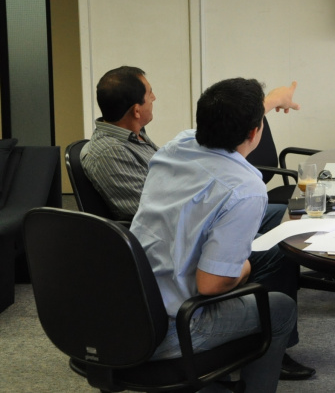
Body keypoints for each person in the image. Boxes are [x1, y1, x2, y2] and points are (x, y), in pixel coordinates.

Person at [129, 78, 313, 391]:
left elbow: (229, 119)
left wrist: (272, 100)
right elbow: (211, 285)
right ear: (254, 132)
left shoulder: (177, 145)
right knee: (280, 308)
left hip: (130, 307)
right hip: (174, 328)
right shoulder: (246, 189)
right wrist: (245, 267)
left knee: (273, 244)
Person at [81, 66, 300, 221]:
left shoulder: (132, 135)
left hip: (200, 213)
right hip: (186, 235)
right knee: (279, 247)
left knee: (290, 214)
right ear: (136, 111)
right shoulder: (109, 153)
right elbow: (156, 214)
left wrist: (270, 101)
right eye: (149, 94)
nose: (154, 98)